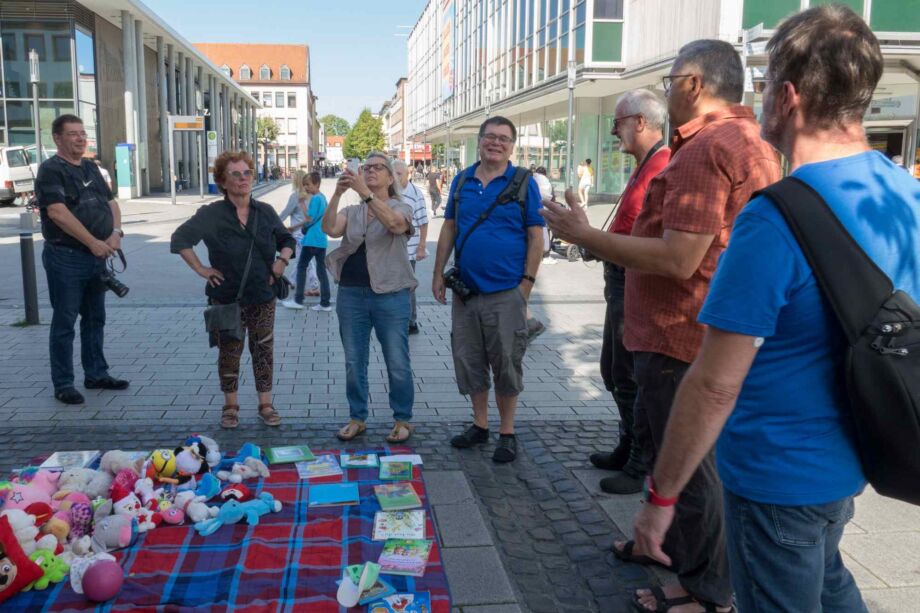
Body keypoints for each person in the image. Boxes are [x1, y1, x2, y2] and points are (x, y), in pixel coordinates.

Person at [631, 7, 916, 613]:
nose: (757, 97)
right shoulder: (905, 196)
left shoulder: (775, 218)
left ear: (787, 97)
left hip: (777, 474)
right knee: (829, 577)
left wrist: (662, 499)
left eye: (762, 83)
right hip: (857, 452)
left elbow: (712, 385)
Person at [543, 40, 780, 612]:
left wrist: (585, 237)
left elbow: (679, 259)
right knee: (694, 467)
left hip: (680, 338)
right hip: (702, 333)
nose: (666, 89)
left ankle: (701, 591)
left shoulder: (704, 148)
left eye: (671, 78)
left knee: (693, 471)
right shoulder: (754, 142)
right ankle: (668, 552)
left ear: (694, 85)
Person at [433, 116, 545, 463]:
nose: (496, 143)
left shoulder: (525, 182)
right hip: (466, 294)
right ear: (479, 141)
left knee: (507, 364)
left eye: (504, 139)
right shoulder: (462, 180)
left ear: (512, 146)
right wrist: (438, 273)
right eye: (490, 137)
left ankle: (506, 431)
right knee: (470, 361)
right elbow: (449, 227)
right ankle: (479, 425)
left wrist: (526, 285)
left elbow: (536, 237)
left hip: (506, 293)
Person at [170, 150, 295, 429]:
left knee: (263, 350)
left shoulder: (265, 212)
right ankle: (231, 405)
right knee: (229, 351)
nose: (243, 179)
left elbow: (286, 239)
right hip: (226, 296)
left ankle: (265, 403)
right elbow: (180, 239)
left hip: (262, 294)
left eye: (247, 173)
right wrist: (201, 269)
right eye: (235, 175)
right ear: (223, 182)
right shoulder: (212, 214)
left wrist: (282, 261)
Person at [589, 89, 671, 496]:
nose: (613, 131)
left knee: (626, 374)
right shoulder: (647, 163)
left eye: (618, 123)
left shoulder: (663, 164)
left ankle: (641, 458)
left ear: (640, 122)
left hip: (633, 278)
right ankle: (629, 444)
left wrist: (591, 239)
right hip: (620, 276)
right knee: (614, 370)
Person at [35, 114, 129, 405]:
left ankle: (96, 373)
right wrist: (93, 242)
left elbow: (111, 202)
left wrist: (115, 233)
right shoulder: (51, 170)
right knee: (64, 321)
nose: (80, 138)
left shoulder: (90, 167)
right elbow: (57, 213)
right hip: (67, 257)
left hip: (97, 257)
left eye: (82, 132)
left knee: (95, 318)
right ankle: (63, 384)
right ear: (58, 138)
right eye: (73, 134)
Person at [323, 152, 417, 444]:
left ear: (391, 177)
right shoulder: (353, 212)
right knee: (354, 361)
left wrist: (364, 194)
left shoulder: (402, 206)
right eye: (367, 168)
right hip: (351, 293)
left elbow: (395, 225)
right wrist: (336, 195)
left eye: (379, 168)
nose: (371, 171)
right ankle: (357, 417)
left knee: (397, 360)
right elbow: (329, 228)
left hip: (390, 294)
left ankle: (402, 418)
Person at [280, 171, 331, 311]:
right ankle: (325, 303)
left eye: (308, 185)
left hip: (311, 239)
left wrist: (296, 225)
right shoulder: (323, 198)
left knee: (302, 266)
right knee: (321, 270)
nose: (306, 188)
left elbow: (309, 219)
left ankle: (298, 300)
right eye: (304, 185)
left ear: (317, 184)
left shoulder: (315, 199)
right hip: (321, 239)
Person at [394, 159, 429, 334]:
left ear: (407, 174)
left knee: (408, 286)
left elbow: (423, 222)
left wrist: (422, 246)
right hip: (390, 249)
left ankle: (411, 321)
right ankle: (394, 317)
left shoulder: (416, 194)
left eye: (398, 174)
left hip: (409, 249)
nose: (395, 177)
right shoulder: (389, 192)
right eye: (393, 173)